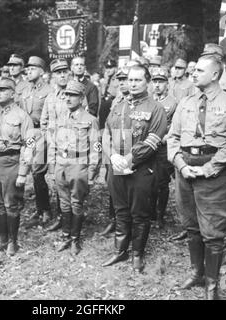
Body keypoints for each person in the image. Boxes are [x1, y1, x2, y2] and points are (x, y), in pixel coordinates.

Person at [167, 54, 226, 300]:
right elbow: (173, 138)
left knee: (213, 231)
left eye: (199, 70)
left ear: (214, 75)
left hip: (216, 172)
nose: (193, 73)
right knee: (190, 225)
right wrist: (180, 164)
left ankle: (213, 284)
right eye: (194, 70)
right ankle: (197, 272)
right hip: (186, 169)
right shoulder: (186, 102)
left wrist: (209, 168)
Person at [102, 65, 167, 272]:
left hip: (141, 170)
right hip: (117, 166)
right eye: (130, 80)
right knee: (120, 211)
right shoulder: (118, 105)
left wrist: (128, 160)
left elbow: (153, 140)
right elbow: (106, 133)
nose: (132, 83)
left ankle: (137, 254)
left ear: (147, 81)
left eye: (138, 80)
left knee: (140, 213)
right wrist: (112, 155)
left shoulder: (155, 108)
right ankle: (120, 251)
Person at [0, 77, 35, 256]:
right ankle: (2, 239)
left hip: (11, 163)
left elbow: (29, 145)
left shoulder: (22, 116)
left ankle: (12, 241)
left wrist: (23, 172)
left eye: (3, 90)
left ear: (12, 93)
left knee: (11, 205)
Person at [48, 80, 101, 254]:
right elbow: (53, 143)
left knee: (76, 203)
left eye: (73, 95)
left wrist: (92, 172)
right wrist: (52, 166)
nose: (68, 98)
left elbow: (95, 147)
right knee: (63, 203)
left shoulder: (90, 120)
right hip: (61, 164)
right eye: (66, 95)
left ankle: (74, 239)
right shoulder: (61, 118)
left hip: (79, 165)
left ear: (81, 98)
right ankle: (65, 235)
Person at [19, 56, 54, 229]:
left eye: (33, 68)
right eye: (28, 69)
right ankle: (40, 208)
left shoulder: (49, 90)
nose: (29, 71)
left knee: (38, 172)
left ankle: (45, 210)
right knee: (31, 170)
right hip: (28, 133)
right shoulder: (25, 91)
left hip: (41, 132)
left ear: (41, 71)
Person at [40, 58, 71, 232]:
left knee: (71, 184)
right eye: (58, 73)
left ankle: (72, 222)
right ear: (53, 76)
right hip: (54, 148)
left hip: (72, 148)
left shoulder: (76, 95)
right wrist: (49, 139)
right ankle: (61, 217)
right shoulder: (50, 98)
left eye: (65, 72)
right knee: (57, 181)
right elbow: (44, 121)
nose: (62, 75)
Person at [99, 67, 130, 236]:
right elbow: (109, 125)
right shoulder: (116, 100)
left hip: (129, 147)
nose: (123, 82)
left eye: (126, 79)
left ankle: (125, 224)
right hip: (113, 146)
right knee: (113, 185)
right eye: (121, 79)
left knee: (127, 187)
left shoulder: (136, 100)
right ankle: (114, 219)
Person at [150, 66, 178, 229]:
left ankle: (160, 215)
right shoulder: (148, 100)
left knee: (162, 182)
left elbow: (175, 124)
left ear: (167, 84)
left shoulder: (173, 102)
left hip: (162, 146)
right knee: (149, 180)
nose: (157, 85)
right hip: (149, 145)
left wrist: (166, 137)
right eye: (155, 82)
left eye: (161, 82)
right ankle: (151, 212)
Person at [99, 59, 119, 130]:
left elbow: (114, 94)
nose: (108, 70)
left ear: (115, 68)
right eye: (107, 68)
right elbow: (102, 94)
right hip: (104, 106)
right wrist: (105, 81)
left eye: (110, 68)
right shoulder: (106, 79)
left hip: (113, 105)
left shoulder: (118, 79)